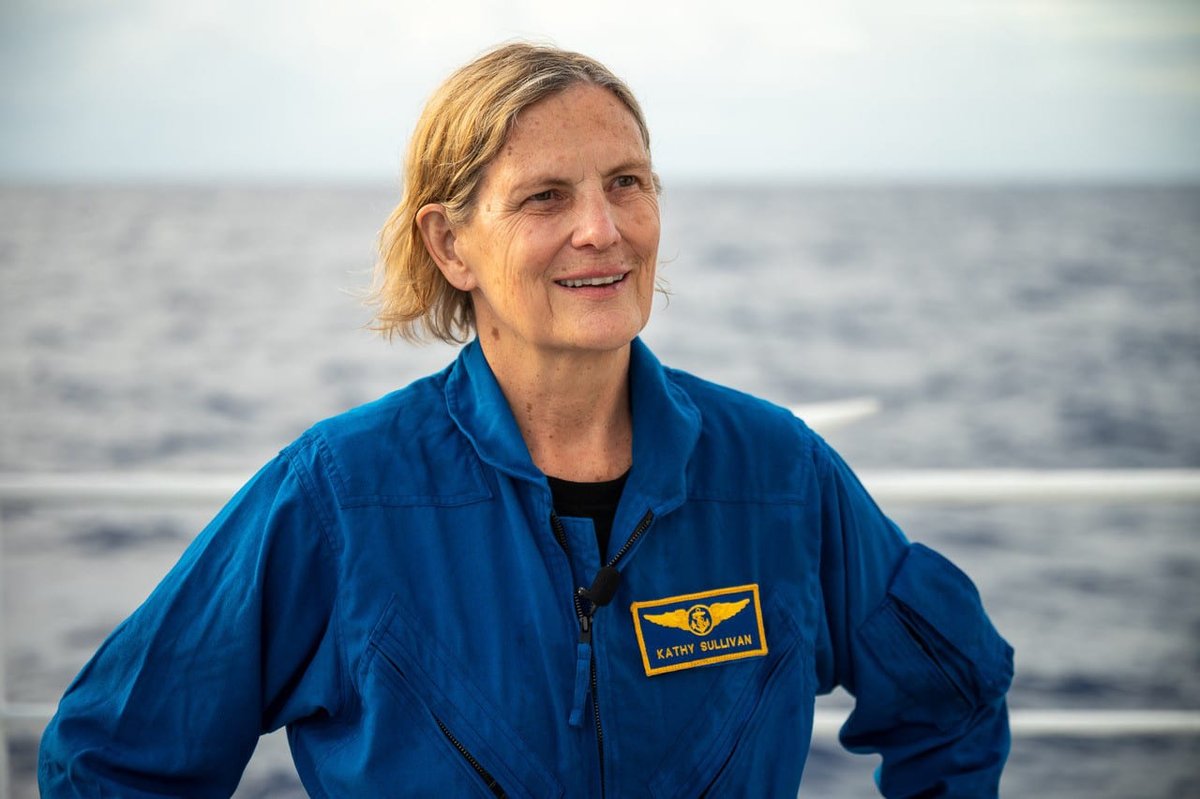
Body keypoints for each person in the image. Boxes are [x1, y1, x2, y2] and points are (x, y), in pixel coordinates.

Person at [39, 42, 1013, 797]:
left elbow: (952, 695)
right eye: (546, 197)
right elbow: (112, 756)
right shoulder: (344, 495)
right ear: (452, 244)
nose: (603, 228)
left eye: (626, 182)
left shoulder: (778, 474)